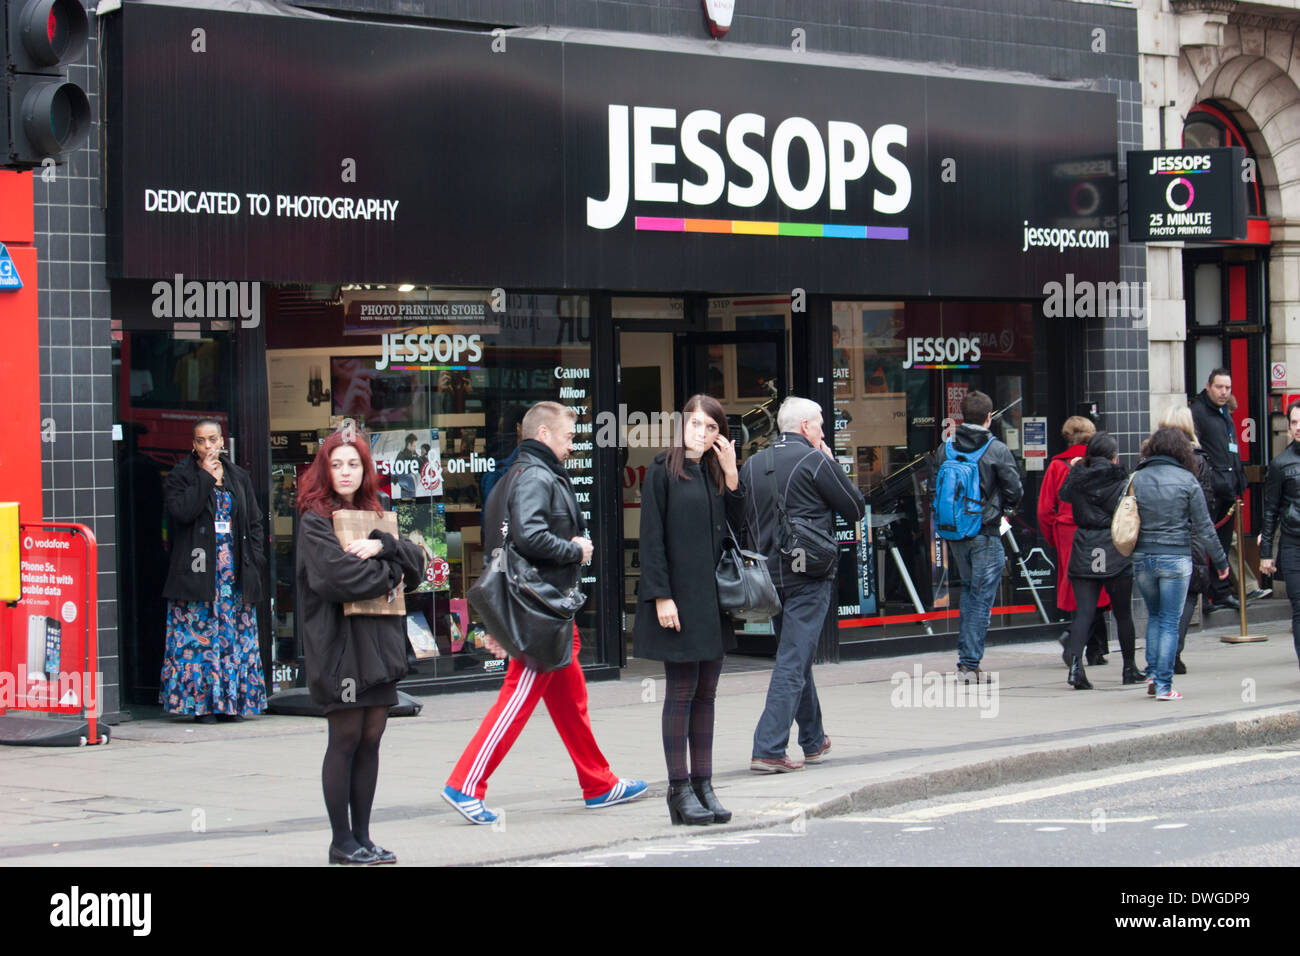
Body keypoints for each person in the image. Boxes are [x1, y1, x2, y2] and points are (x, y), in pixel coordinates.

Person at [443, 402, 646, 822]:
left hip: (543, 608)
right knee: (517, 699)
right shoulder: (536, 475)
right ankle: (464, 784)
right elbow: (530, 536)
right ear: (543, 434)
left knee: (571, 701)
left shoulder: (516, 475)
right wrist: (575, 549)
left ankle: (599, 784)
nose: (572, 446)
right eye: (568, 437)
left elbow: (501, 544)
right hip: (539, 610)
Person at [296, 429, 426, 865]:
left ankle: (363, 838)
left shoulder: (377, 511)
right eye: (337, 465)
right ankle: (341, 842)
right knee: (346, 737)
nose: (345, 472)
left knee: (372, 737)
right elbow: (337, 578)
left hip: (379, 645)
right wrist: (392, 573)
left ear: (365, 469)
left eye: (353, 464)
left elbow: (417, 561)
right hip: (339, 646)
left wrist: (383, 545)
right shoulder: (315, 519)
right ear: (325, 470)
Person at [634, 395, 744, 824]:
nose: (702, 433)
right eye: (696, 424)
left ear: (721, 435)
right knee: (681, 692)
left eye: (711, 427)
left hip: (712, 601)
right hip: (678, 599)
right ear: (682, 425)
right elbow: (651, 538)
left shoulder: (716, 473)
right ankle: (679, 789)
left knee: (707, 694)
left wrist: (732, 475)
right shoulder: (663, 471)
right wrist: (661, 596)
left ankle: (704, 784)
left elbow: (742, 528)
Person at [741, 396, 865, 773]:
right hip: (807, 575)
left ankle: (813, 740)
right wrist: (830, 461)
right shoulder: (814, 460)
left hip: (769, 576)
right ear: (806, 426)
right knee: (793, 660)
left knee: (796, 654)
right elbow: (855, 507)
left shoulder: (752, 464)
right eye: (821, 425)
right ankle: (768, 748)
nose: (823, 433)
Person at [160, 418, 268, 723]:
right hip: (198, 574)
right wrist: (205, 477)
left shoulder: (239, 476)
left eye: (212, 439)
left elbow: (254, 522)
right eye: (200, 441)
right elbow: (182, 513)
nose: (207, 446)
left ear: (222, 441)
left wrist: (256, 559)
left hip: (234, 574)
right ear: (193, 444)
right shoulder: (181, 475)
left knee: (234, 640)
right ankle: (202, 706)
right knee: (198, 641)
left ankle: (232, 704)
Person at [1129, 426, 1229, 701]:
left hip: (1143, 557)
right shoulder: (1187, 480)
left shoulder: (1137, 477)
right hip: (1175, 556)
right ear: (1181, 450)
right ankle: (1164, 685)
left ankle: (1152, 674)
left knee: (1154, 616)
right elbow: (1205, 527)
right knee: (1170, 621)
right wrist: (1221, 562)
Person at [932, 390, 1023, 681]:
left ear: (962, 416)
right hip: (985, 532)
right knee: (981, 598)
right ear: (989, 417)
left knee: (970, 592)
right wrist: (1003, 510)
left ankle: (967, 659)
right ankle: (969, 664)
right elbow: (1015, 490)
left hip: (956, 532)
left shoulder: (945, 448)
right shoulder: (997, 450)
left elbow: (935, 485)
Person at [1058, 432, 1140, 688]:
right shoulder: (1121, 479)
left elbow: (1063, 495)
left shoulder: (1078, 477)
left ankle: (1075, 669)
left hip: (1084, 545)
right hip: (1113, 545)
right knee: (1123, 614)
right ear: (1113, 456)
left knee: (1084, 613)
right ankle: (1129, 668)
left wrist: (1076, 469)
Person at [1038, 415, 1110, 665]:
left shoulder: (1057, 466)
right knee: (1099, 584)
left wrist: (1053, 538)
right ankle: (1085, 643)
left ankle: (1091, 646)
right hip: (1097, 531)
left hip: (1067, 532)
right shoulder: (1099, 464)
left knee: (1076, 587)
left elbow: (1044, 510)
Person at [1190, 369, 1253, 612]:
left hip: (1229, 488)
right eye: (1219, 387)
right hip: (1210, 490)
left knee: (1224, 544)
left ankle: (1221, 591)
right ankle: (1205, 595)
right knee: (1206, 543)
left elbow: (1231, 449)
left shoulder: (1225, 412)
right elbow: (1196, 451)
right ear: (1209, 386)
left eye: (1228, 388)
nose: (1224, 392)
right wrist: (1212, 478)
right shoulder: (1198, 412)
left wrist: (1239, 479)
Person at [1162, 404, 1218, 675]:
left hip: (1159, 536)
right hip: (1190, 536)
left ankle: (1164, 655)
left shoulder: (1152, 459)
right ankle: (1173, 652)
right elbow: (1206, 504)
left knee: (1164, 600)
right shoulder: (1198, 459)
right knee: (1188, 595)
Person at [1257, 400, 1300, 673]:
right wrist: (1265, 555)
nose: (1298, 427)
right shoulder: (1280, 464)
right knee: (1299, 607)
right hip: (1293, 543)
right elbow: (1270, 510)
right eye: (1294, 422)